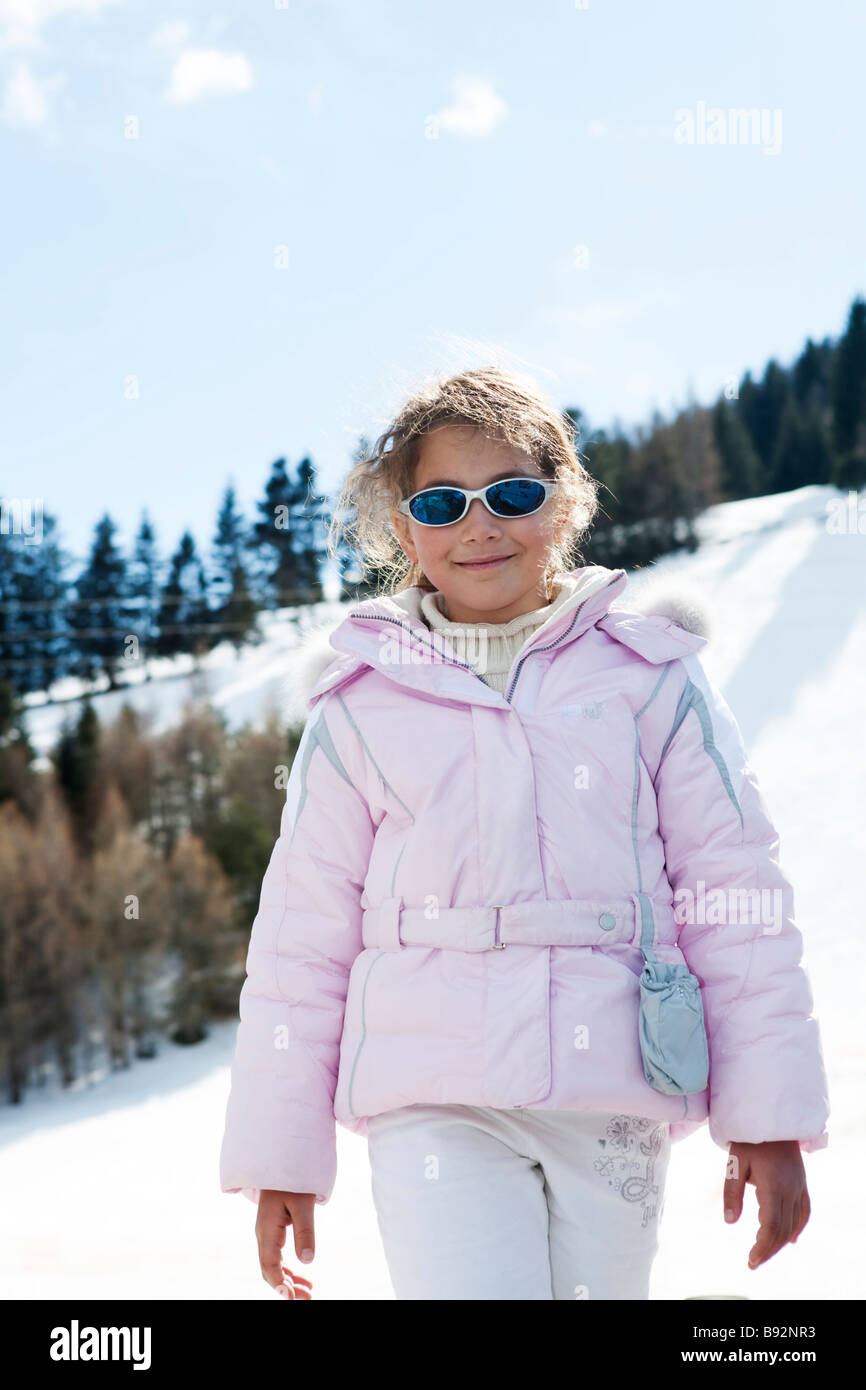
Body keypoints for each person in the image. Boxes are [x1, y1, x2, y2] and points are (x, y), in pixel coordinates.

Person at [219, 366, 830, 1301]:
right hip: (434, 1101)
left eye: (512, 493)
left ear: (564, 504)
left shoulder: (646, 673)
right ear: (402, 527)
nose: (480, 524)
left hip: (614, 1088)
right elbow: (302, 937)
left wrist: (769, 1114)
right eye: (441, 501)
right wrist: (282, 1153)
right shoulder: (358, 708)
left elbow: (732, 888)